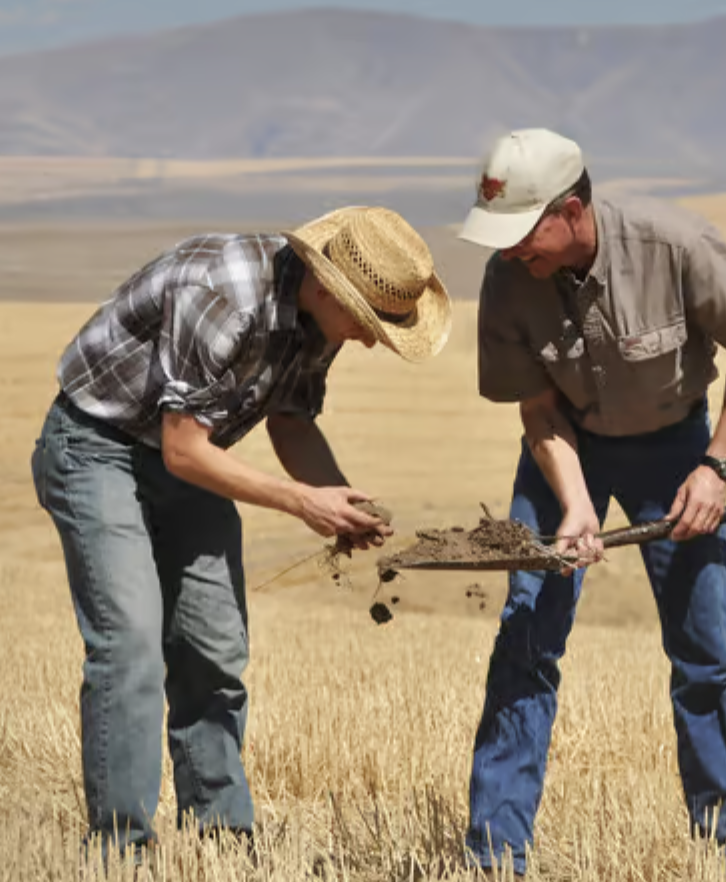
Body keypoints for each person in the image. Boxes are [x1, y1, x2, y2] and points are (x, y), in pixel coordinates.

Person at [31, 206, 452, 861]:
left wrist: (339, 501)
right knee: (131, 641)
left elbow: (291, 419)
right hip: (98, 449)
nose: (369, 340)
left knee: (213, 644)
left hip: (186, 461)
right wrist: (300, 502)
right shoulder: (224, 297)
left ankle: (221, 838)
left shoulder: (316, 320)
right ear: (326, 285)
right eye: (367, 324)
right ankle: (122, 848)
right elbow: (183, 450)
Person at [457, 129, 726, 877]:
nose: (509, 253)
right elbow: (537, 410)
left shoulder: (680, 246)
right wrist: (573, 506)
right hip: (562, 449)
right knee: (526, 642)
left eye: (523, 234)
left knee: (703, 655)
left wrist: (715, 469)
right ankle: (495, 858)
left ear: (571, 210)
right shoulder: (509, 278)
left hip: (676, 448)